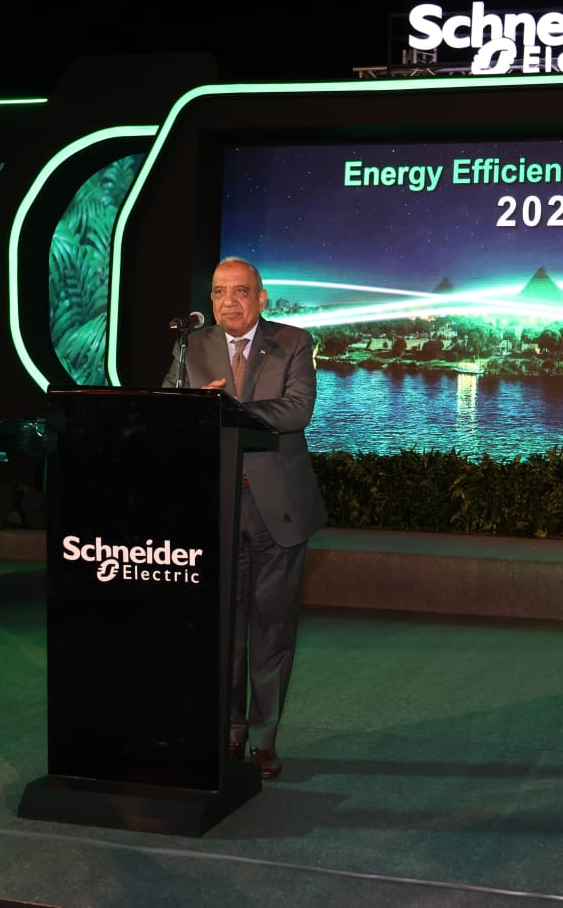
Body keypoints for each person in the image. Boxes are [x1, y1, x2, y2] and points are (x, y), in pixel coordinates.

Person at [162, 256, 327, 780]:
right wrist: (193, 407)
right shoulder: (191, 347)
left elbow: (297, 409)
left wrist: (225, 410)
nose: (228, 301)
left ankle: (265, 738)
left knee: (272, 631)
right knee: (225, 631)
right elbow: (169, 409)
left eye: (239, 291)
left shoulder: (293, 342)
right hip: (217, 506)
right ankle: (232, 731)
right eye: (218, 291)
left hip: (278, 509)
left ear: (260, 298)